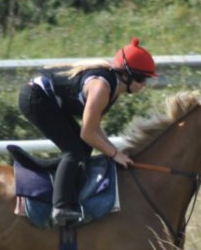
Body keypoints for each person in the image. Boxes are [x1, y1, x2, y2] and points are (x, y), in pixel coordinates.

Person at [18, 37, 158, 226]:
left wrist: (113, 151)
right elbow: (87, 132)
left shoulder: (114, 88)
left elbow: (93, 128)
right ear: (126, 75)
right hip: (35, 98)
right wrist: (114, 154)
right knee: (74, 151)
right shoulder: (102, 88)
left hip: (47, 99)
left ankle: (61, 179)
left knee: (83, 148)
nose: (144, 84)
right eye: (142, 78)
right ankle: (60, 208)